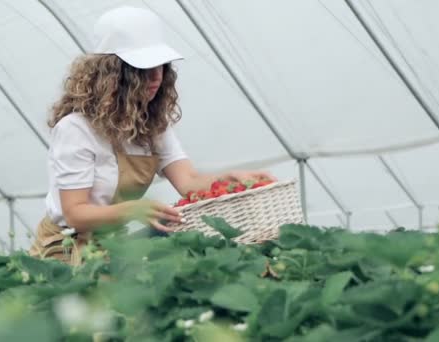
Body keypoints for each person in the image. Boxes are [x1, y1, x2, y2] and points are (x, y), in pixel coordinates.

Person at [29, 6, 274, 265]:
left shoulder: (153, 124)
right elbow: (75, 212)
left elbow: (188, 181)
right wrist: (134, 209)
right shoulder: (76, 128)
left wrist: (229, 179)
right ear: (112, 73)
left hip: (110, 245)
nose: (156, 76)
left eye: (161, 66)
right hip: (64, 251)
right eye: (143, 68)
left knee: (177, 236)